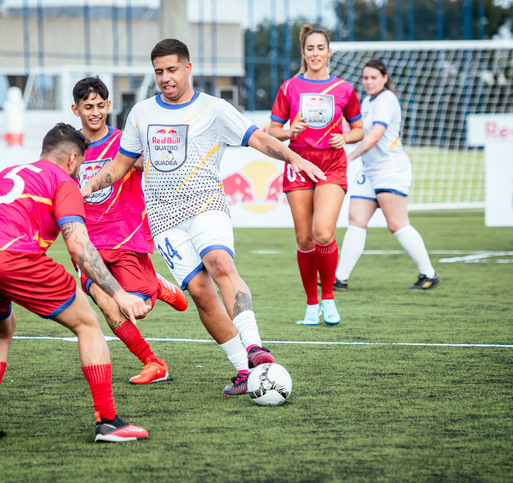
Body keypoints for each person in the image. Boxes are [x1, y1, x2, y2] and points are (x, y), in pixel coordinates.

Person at [82, 38, 326, 396]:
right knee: (199, 293)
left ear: (188, 67)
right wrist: (86, 189)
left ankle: (255, 345)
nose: (165, 78)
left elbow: (257, 138)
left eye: (171, 70)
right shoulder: (141, 113)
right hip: (163, 219)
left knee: (219, 262)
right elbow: (120, 165)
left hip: (205, 204)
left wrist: (295, 159)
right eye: (159, 72)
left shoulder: (214, 109)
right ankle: (244, 370)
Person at [0, 123, 150, 443]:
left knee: (0, 329)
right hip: (11, 257)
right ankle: (108, 421)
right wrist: (120, 293)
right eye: (81, 165)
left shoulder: (4, 173)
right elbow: (79, 247)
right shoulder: (62, 180)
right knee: (87, 324)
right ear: (72, 159)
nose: (79, 170)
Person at [71, 76, 188, 385]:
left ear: (109, 105)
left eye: (100, 106)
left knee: (140, 309)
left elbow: (156, 168)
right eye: (87, 107)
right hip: (88, 243)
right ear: (76, 109)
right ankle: (152, 362)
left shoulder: (126, 142)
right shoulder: (71, 150)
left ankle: (156, 286)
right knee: (108, 305)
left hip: (125, 236)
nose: (95, 112)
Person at [268, 25, 364, 326]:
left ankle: (329, 300)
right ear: (303, 52)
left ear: (329, 51)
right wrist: (288, 132)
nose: (315, 54)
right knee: (305, 238)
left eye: (321, 48)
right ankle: (311, 304)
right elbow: (272, 131)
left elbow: (359, 129)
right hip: (298, 163)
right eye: (310, 49)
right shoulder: (289, 88)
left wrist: (345, 139)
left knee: (323, 232)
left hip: (331, 164)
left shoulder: (344, 89)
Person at [336, 59, 440, 291]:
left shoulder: (387, 99)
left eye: (374, 77)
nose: (369, 82)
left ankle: (429, 274)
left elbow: (373, 137)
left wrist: (348, 157)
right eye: (365, 78)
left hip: (390, 169)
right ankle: (340, 279)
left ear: (385, 78)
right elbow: (354, 130)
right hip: (369, 170)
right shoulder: (366, 101)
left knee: (397, 224)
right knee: (356, 221)